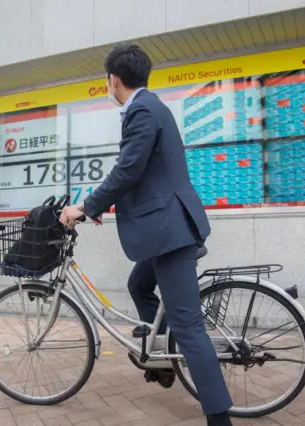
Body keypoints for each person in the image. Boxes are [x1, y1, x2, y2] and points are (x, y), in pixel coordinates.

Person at [60, 44, 233, 426]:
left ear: (113, 79)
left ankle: (219, 419)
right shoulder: (152, 106)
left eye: (107, 80)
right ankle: (163, 357)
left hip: (169, 232)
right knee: (139, 285)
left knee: (189, 328)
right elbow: (144, 173)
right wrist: (103, 207)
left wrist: (85, 207)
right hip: (166, 227)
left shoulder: (140, 110)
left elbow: (128, 170)